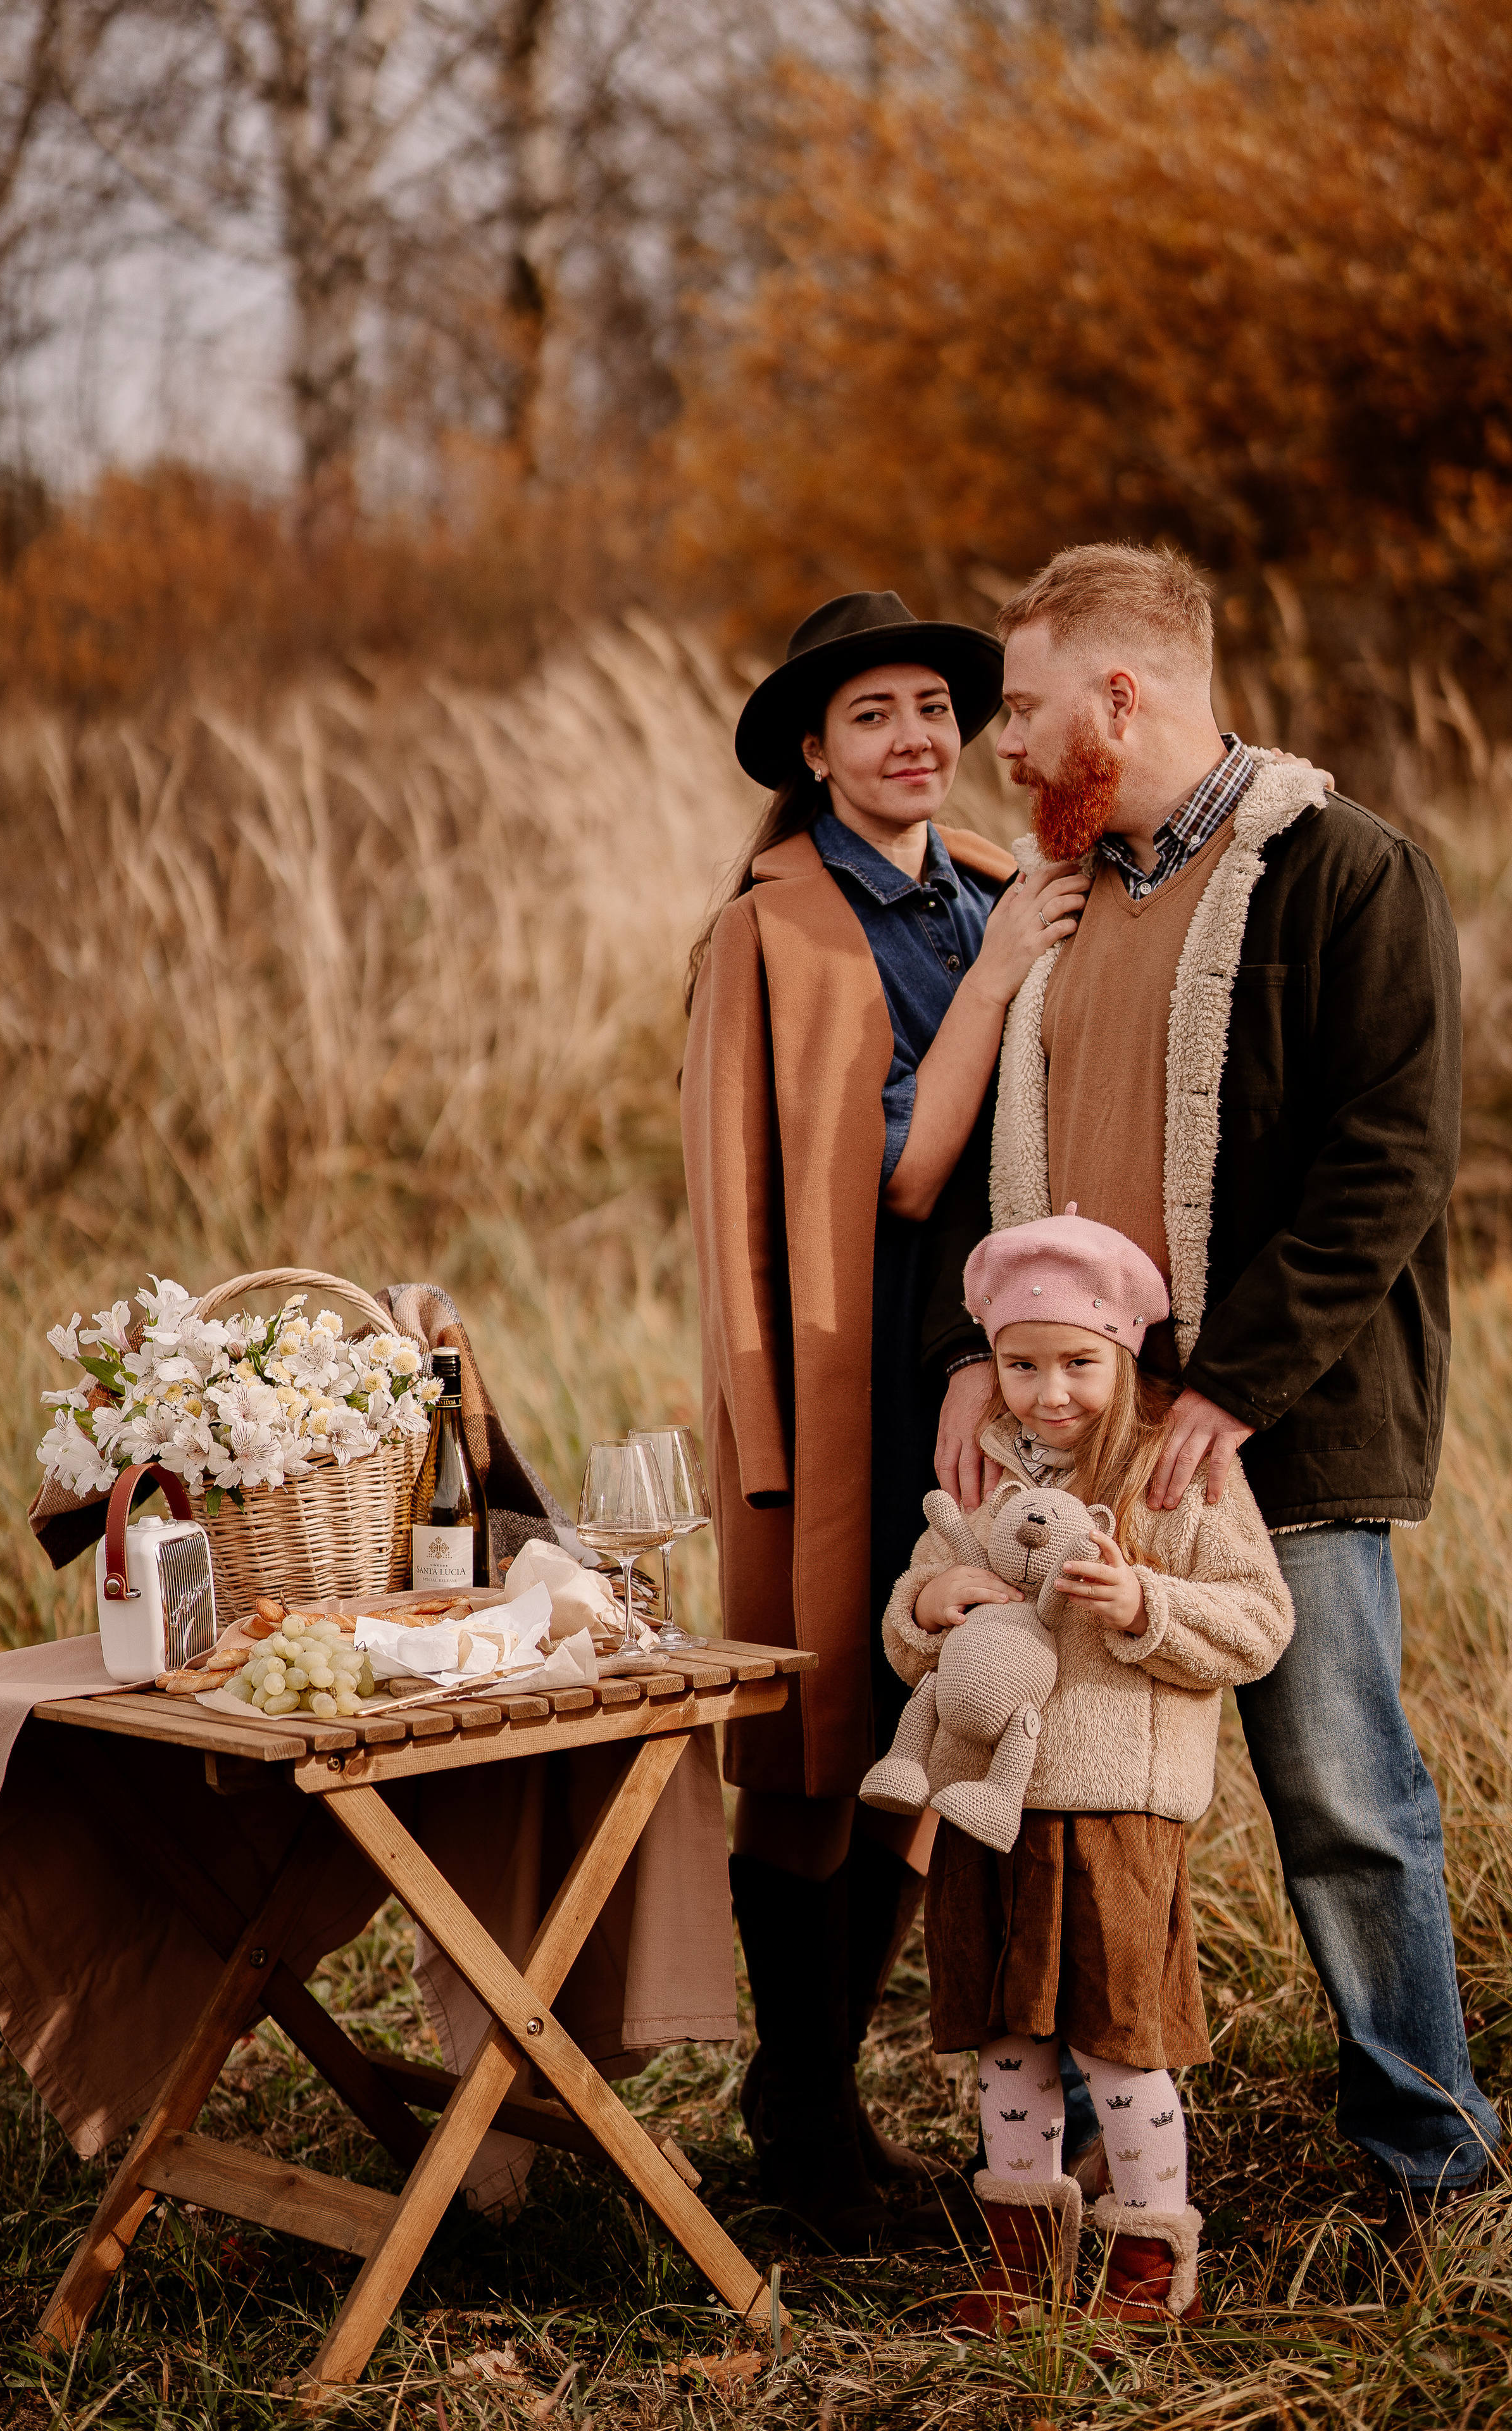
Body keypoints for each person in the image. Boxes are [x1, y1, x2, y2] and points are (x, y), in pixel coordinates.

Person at [927, 539, 1502, 2230]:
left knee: (1341, 1799)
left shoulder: (1345, 871)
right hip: (1074, 1447)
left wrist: (1227, 1387)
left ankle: (1432, 2165)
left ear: (1127, 692)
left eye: (1025, 709)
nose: (1003, 747)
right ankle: (1101, 2146)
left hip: (1274, 1433)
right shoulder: (1067, 900)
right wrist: (982, 1350)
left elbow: (1395, 1163)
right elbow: (1026, 1200)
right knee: (1077, 1798)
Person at [680, 591, 1087, 2244]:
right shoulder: (771, 930)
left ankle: (811, 2100)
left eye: (934, 707)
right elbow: (900, 1170)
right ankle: (803, 2112)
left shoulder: (990, 884)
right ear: (811, 749)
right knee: (825, 1746)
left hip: (989, 1381)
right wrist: (994, 982)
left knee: (940, 1728)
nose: (916, 737)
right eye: (874, 716)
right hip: (844, 1393)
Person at [879, 1211, 1293, 2326]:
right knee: (1009, 2044)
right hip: (989, 1808)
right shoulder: (987, 1472)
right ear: (993, 1360)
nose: (1048, 1391)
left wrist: (1148, 1603)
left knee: (1120, 2043)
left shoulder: (1174, 1468)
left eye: (1078, 1364)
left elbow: (1259, 1621)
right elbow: (912, 1613)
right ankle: (1021, 2264)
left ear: (1124, 1354)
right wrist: (927, 1604)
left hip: (1116, 1808)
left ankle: (1151, 2272)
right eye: (1021, 1364)